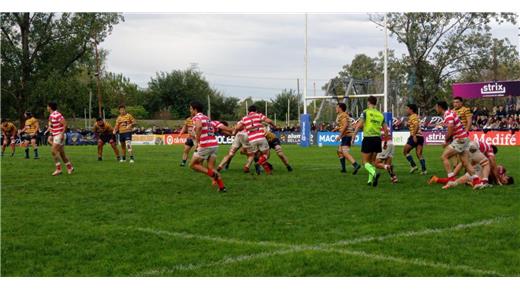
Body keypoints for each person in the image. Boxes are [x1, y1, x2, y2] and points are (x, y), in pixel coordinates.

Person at [435, 101, 482, 188]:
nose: (435, 109)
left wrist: (446, 140)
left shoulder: (448, 115)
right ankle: (477, 181)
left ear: (440, 107)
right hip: (464, 138)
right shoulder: (450, 113)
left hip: (460, 139)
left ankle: (451, 178)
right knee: (465, 162)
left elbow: (450, 128)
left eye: (436, 107)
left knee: (444, 156)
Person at [352, 96, 395, 187]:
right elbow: (386, 130)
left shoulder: (366, 112)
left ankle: (374, 174)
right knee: (371, 161)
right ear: (375, 103)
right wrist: (386, 142)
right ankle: (369, 181)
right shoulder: (380, 114)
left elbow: (359, 125)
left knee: (365, 162)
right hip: (377, 140)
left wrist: (354, 135)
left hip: (368, 138)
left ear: (368, 102)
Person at [188, 101, 226, 192]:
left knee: (192, 165)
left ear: (195, 109)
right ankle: (222, 187)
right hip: (214, 144)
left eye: (190, 109)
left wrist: (198, 141)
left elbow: (199, 127)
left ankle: (213, 175)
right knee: (210, 167)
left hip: (205, 144)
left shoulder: (196, 117)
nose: (190, 111)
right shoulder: (206, 118)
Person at [233, 105, 276, 175]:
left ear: (248, 111)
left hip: (252, 140)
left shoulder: (244, 118)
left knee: (259, 155)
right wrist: (274, 126)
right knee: (266, 154)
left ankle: (268, 172)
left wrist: (234, 132)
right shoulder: (259, 115)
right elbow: (269, 121)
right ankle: (258, 163)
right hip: (260, 137)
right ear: (256, 110)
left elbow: (237, 127)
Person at [332, 103, 361, 174]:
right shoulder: (342, 115)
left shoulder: (343, 115)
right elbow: (343, 125)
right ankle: (344, 169)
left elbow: (345, 125)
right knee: (339, 151)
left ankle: (356, 165)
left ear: (340, 108)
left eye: (337, 107)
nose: (336, 109)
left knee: (344, 152)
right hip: (346, 135)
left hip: (347, 135)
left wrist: (340, 135)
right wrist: (337, 128)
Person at [47, 101, 74, 176]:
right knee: (62, 154)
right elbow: (51, 124)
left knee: (53, 150)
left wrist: (62, 134)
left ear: (50, 107)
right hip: (56, 135)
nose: (47, 108)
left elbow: (65, 124)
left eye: (47, 106)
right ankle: (70, 167)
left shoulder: (57, 114)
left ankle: (58, 169)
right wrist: (50, 133)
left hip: (59, 135)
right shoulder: (51, 115)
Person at [403, 104, 427, 174]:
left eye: (407, 109)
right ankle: (424, 170)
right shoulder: (415, 116)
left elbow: (416, 125)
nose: (406, 110)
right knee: (419, 154)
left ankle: (413, 166)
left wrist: (413, 135)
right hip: (420, 136)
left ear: (411, 109)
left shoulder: (413, 116)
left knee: (405, 151)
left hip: (415, 136)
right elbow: (414, 124)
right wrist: (408, 124)